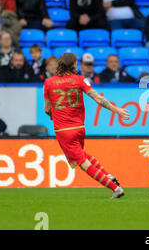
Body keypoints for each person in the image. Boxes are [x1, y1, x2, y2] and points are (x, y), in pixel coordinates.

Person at [44, 52, 129, 198]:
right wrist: (117, 110)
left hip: (63, 130)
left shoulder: (49, 82)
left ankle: (115, 188)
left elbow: (47, 109)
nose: (77, 65)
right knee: (82, 155)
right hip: (79, 128)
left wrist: (53, 116)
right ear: (72, 65)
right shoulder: (80, 80)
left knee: (83, 163)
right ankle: (107, 176)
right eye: (76, 62)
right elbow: (97, 98)